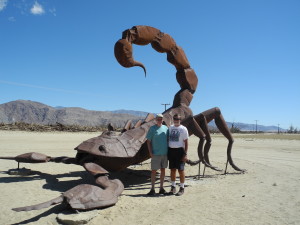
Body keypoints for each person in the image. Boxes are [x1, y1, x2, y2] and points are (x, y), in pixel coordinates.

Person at [146, 113, 169, 195]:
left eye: (161, 119)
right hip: (155, 154)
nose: (159, 120)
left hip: (164, 153)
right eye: (158, 119)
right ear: (156, 120)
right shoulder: (152, 129)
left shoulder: (166, 128)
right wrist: (150, 152)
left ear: (163, 120)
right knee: (154, 171)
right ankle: (152, 189)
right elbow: (148, 142)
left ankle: (161, 188)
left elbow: (168, 140)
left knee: (163, 170)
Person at [168, 114, 189, 196]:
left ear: (180, 120)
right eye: (175, 119)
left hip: (180, 151)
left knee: (181, 170)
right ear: (173, 119)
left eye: (178, 119)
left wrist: (185, 154)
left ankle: (182, 187)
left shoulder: (183, 129)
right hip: (171, 150)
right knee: (172, 169)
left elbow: (186, 142)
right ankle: (173, 187)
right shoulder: (170, 128)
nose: (176, 120)